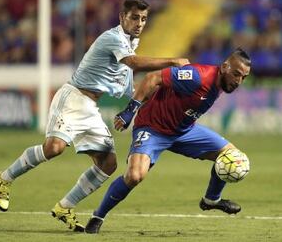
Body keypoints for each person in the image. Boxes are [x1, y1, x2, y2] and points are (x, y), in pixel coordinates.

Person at [0, 0, 189, 232]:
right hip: (73, 98)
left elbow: (134, 87)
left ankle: (65, 206)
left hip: (90, 109)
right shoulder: (113, 38)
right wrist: (172, 62)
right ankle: (4, 178)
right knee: (54, 148)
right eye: (134, 17)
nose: (139, 23)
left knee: (108, 163)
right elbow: (133, 63)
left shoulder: (129, 46)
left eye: (144, 19)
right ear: (122, 18)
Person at [84, 48, 252, 234]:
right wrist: (130, 111)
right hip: (152, 128)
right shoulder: (198, 77)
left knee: (232, 156)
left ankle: (211, 200)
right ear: (225, 66)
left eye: (243, 78)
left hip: (183, 131)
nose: (238, 81)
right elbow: (152, 78)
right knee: (134, 176)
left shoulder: (221, 83)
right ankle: (98, 216)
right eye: (236, 74)